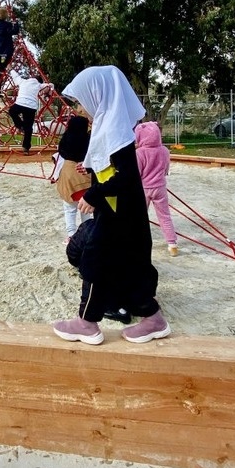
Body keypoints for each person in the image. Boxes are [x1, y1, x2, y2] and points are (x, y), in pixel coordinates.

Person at [52, 65, 170, 345]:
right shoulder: (108, 126)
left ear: (99, 95)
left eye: (81, 102)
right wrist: (91, 171)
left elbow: (128, 176)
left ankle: (86, 323)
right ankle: (152, 319)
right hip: (119, 211)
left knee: (94, 260)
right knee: (125, 266)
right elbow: (112, 169)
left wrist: (94, 195)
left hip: (121, 214)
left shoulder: (115, 132)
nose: (79, 109)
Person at [135, 121, 178, 256]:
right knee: (165, 216)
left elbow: (138, 173)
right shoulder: (164, 150)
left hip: (144, 188)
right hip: (160, 187)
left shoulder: (140, 153)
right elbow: (166, 169)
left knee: (140, 216)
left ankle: (137, 242)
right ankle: (172, 244)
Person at [52, 114, 92, 242]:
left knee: (69, 209)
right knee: (85, 208)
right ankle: (86, 234)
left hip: (69, 174)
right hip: (85, 173)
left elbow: (61, 152)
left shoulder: (66, 138)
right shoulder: (88, 139)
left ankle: (71, 235)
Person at [8, 72, 54, 154]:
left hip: (20, 103)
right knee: (28, 127)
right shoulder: (39, 85)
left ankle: (20, 125)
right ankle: (26, 147)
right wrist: (50, 91)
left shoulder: (23, 81)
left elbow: (15, 76)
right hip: (31, 107)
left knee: (12, 111)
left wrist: (10, 69)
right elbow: (50, 85)